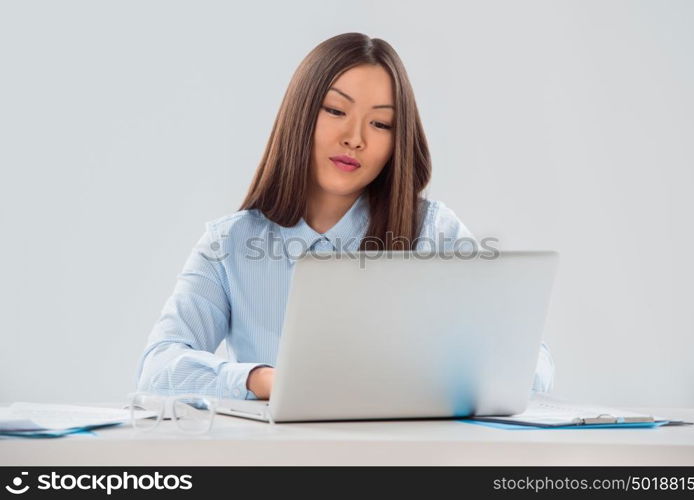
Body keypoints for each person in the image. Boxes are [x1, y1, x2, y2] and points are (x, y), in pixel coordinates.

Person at [135, 33, 554, 401]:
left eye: (380, 123)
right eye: (336, 111)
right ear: (300, 115)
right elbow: (157, 369)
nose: (355, 138)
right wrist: (264, 380)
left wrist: (441, 378)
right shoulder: (229, 244)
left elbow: (532, 365)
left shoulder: (433, 233)